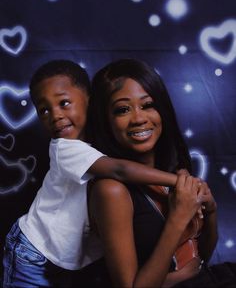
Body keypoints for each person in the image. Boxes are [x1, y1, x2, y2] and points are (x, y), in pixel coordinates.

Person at [2, 59, 190, 288]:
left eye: (64, 103)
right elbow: (120, 169)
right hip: (33, 252)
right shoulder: (65, 148)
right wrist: (180, 181)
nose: (55, 115)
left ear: (90, 101)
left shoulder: (97, 143)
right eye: (44, 110)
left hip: (61, 259)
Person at [78, 58, 234, 287]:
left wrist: (211, 210)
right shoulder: (111, 190)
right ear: (106, 121)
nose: (139, 118)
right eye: (123, 110)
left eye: (147, 105)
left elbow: (200, 259)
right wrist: (178, 218)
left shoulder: (173, 171)